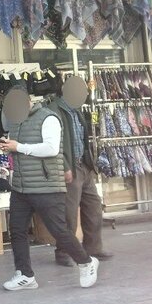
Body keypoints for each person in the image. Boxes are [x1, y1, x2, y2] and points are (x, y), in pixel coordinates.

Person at [0, 85, 100, 291]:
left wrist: (19, 147)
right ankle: (25, 274)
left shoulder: (48, 118)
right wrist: (8, 147)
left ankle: (86, 262)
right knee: (17, 230)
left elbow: (51, 149)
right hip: (21, 186)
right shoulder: (16, 122)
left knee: (59, 230)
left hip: (46, 185)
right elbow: (21, 149)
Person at [49, 77, 113, 265]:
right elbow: (55, 143)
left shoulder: (75, 110)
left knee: (94, 206)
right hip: (70, 167)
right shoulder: (54, 111)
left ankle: (93, 248)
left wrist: (89, 163)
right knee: (69, 214)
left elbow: (82, 139)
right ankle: (64, 253)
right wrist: (65, 167)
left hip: (83, 165)